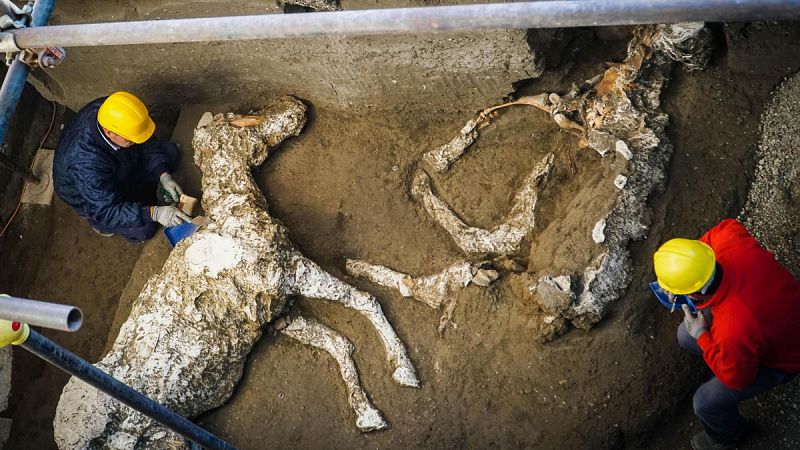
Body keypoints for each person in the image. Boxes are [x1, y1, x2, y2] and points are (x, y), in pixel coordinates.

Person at [653, 219, 800, 450]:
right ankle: (723, 359)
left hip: (787, 357)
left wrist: (702, 334)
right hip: (783, 313)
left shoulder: (733, 328)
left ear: (692, 294)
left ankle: (729, 437)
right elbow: (722, 229)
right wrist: (689, 272)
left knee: (705, 402)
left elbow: (738, 379)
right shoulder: (727, 239)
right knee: (684, 335)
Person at [53, 91, 190, 242]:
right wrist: (154, 213)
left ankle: (143, 191)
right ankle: (99, 224)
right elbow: (107, 210)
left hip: (119, 161)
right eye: (131, 140)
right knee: (143, 230)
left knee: (169, 153)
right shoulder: (85, 163)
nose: (136, 141)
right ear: (109, 132)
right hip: (92, 194)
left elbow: (146, 141)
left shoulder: (113, 111)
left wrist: (163, 174)